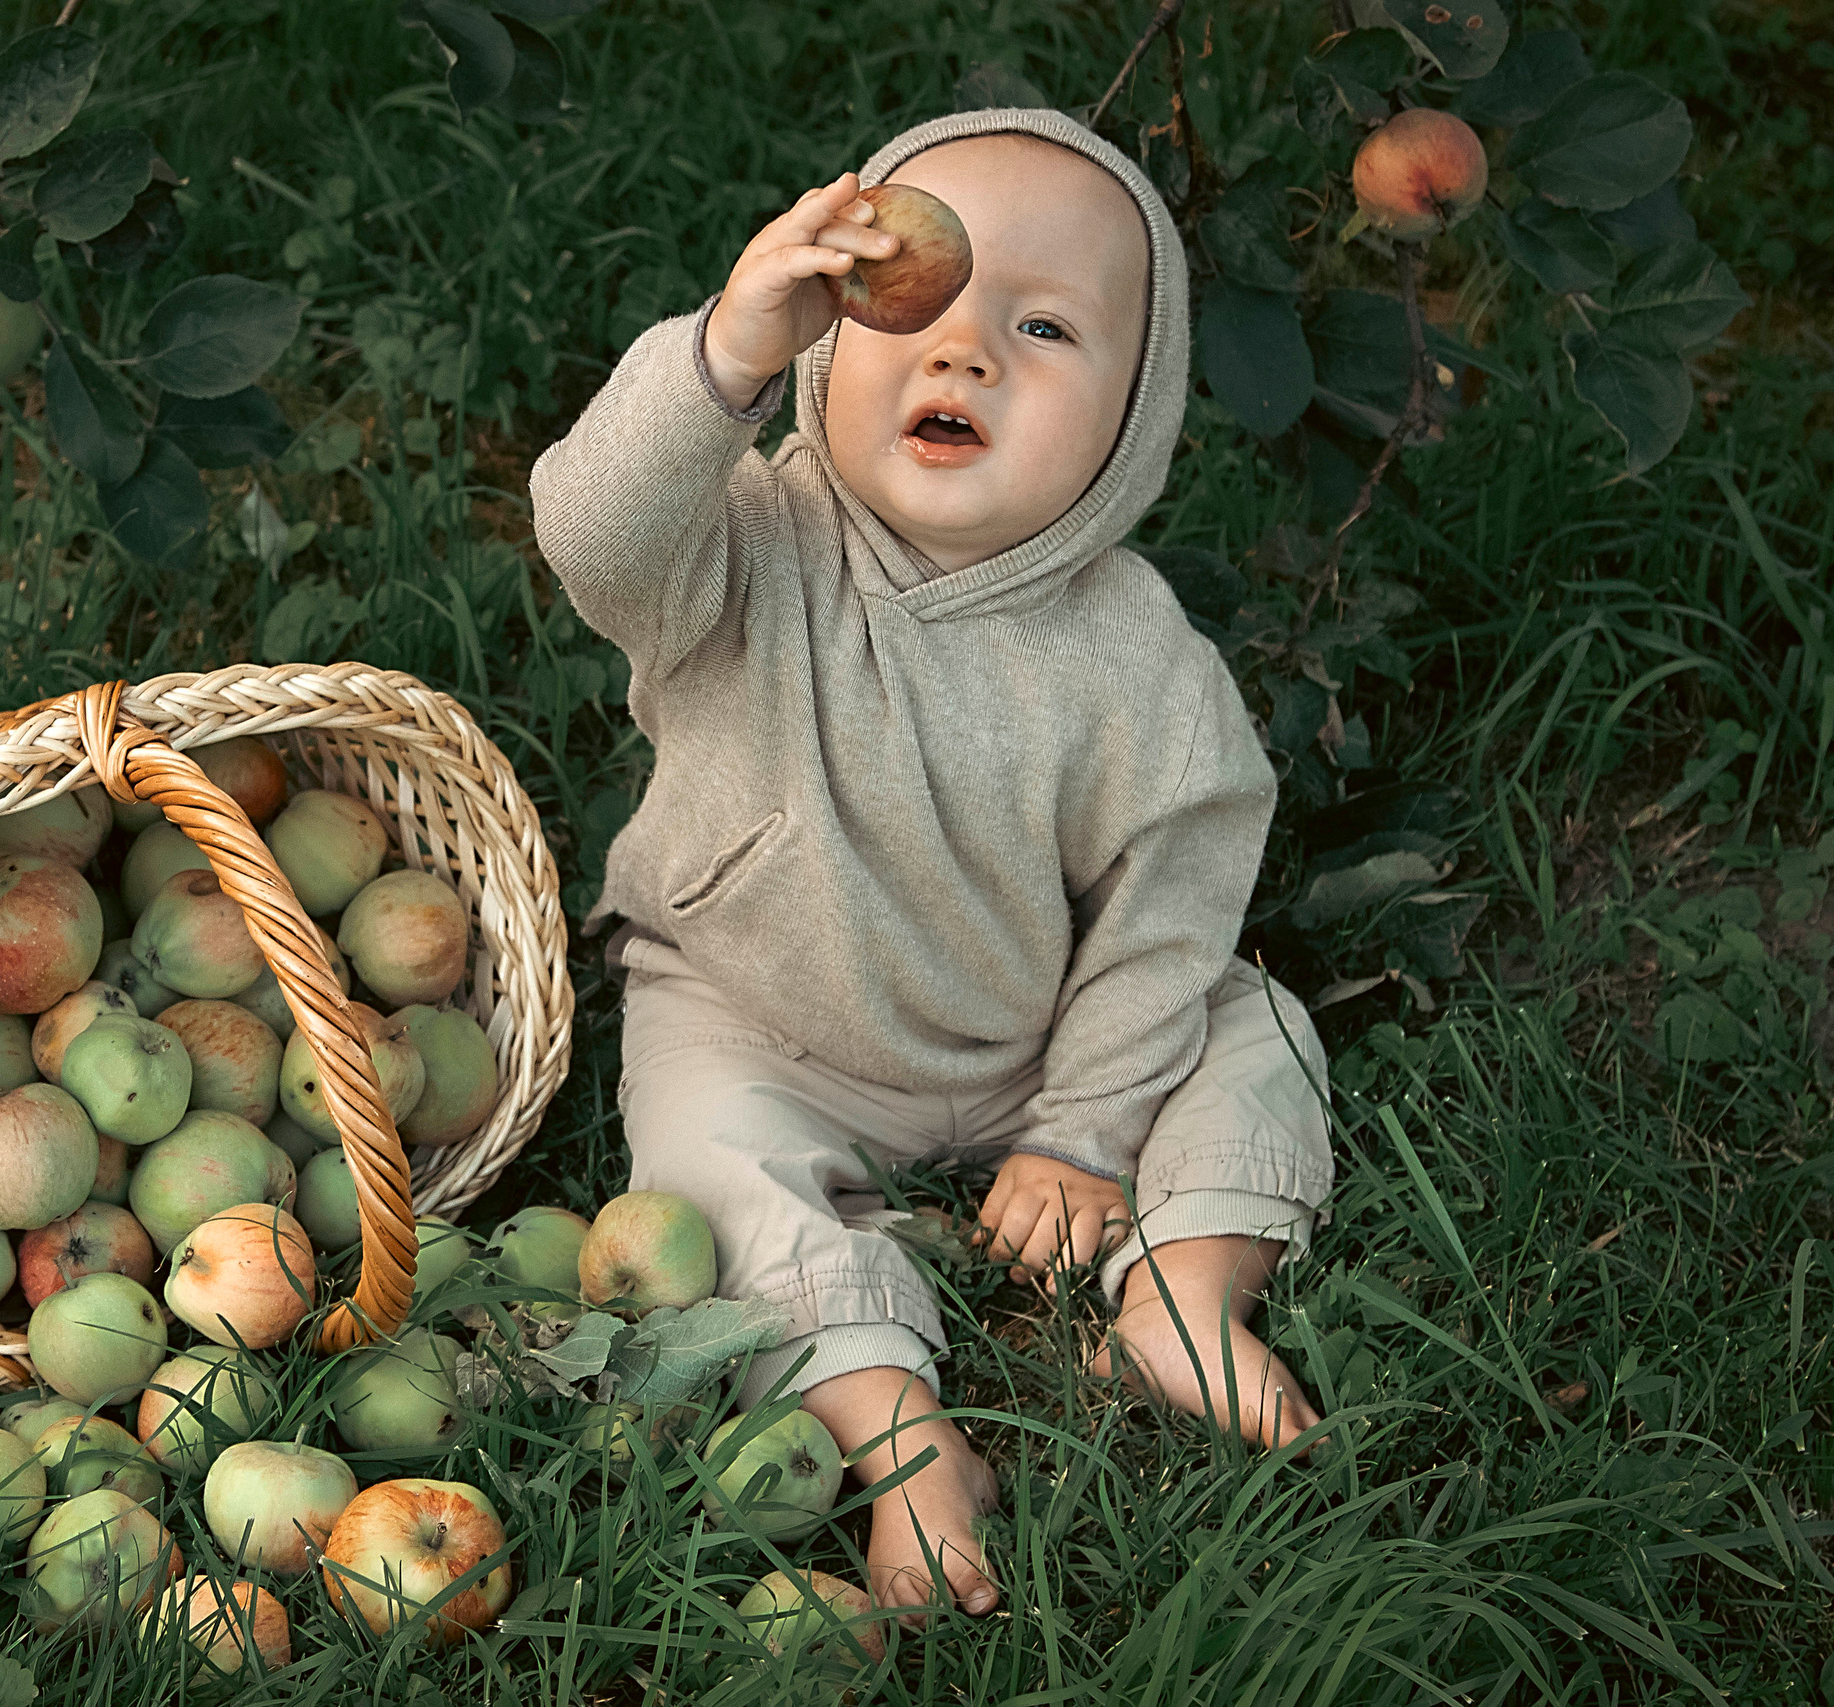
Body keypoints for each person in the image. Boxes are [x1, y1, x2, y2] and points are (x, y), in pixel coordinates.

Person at [527, 107, 1337, 1626]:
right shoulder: (743, 543)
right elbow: (589, 529)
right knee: (707, 1160)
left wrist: (1088, 1128)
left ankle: (1184, 1291)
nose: (967, 356)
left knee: (1251, 1021)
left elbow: (1165, 915)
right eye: (923, 305)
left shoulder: (1144, 664)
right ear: (832, 344)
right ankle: (899, 1437)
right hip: (765, 1017)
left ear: (1133, 422)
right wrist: (726, 351)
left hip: (1039, 1038)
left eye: (1043, 328)